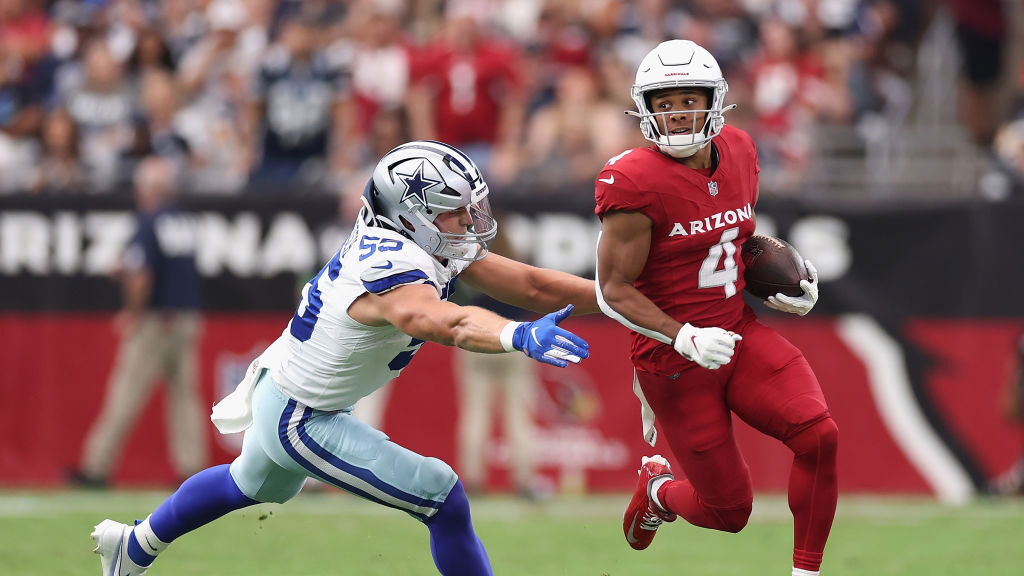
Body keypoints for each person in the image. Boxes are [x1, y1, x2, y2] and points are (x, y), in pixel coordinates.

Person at [91, 140, 598, 576]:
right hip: (302, 415)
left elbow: (532, 282)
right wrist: (515, 333)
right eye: (452, 210)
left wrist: (622, 302)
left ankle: (132, 547)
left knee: (245, 484)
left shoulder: (421, 237)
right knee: (443, 497)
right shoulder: (392, 261)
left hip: (289, 390)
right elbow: (441, 319)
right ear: (410, 214)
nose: (467, 220)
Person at [594, 40, 838, 576]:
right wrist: (682, 336)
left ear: (715, 101)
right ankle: (658, 493)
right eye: (664, 102)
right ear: (646, 110)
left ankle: (806, 572)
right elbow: (612, 289)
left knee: (818, 435)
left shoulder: (743, 150)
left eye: (688, 99)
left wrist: (785, 278)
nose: (678, 112)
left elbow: (733, 240)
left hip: (737, 331)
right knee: (730, 512)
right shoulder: (634, 181)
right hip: (674, 362)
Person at [71, 156, 205, 488]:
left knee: (125, 393)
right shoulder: (183, 221)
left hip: (157, 320)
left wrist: (133, 312)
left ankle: (96, 467)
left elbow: (141, 275)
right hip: (186, 317)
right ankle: (191, 469)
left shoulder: (150, 221)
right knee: (184, 397)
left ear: (149, 189)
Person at [455, 225, 540, 498]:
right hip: (514, 339)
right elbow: (530, 300)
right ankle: (525, 480)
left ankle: (473, 479)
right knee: (519, 412)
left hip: (476, 337)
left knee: (475, 412)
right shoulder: (515, 266)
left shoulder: (471, 264)